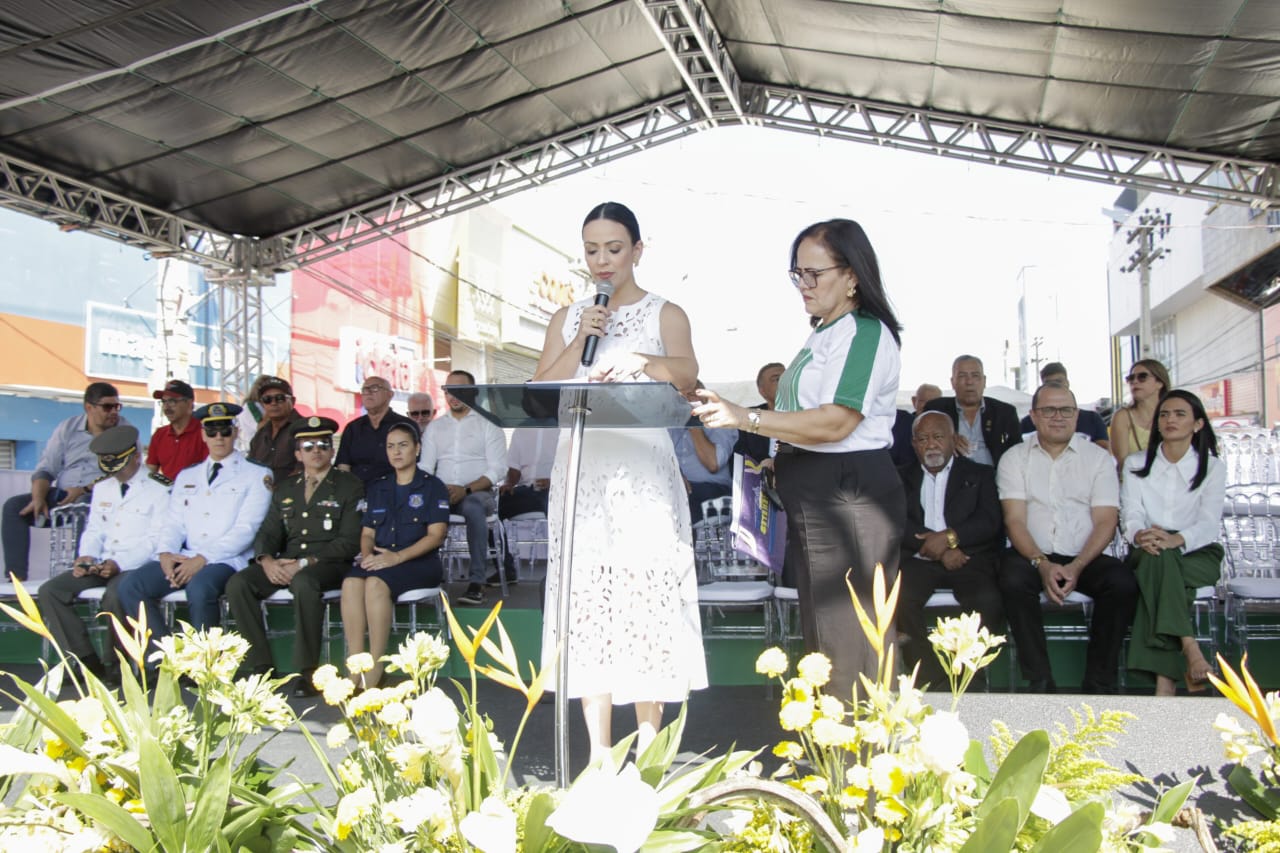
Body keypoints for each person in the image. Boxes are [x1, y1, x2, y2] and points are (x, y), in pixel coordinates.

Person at [694, 217, 905, 701]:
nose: (803, 286)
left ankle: (860, 759)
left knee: (850, 637)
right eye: (797, 274)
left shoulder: (863, 333)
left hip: (848, 495)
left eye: (815, 274)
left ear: (852, 275)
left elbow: (836, 422)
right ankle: (839, 756)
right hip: (818, 491)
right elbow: (806, 418)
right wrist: (779, 456)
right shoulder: (825, 333)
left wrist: (745, 418)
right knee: (827, 633)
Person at [533, 201, 706, 761]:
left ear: (637, 249)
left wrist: (640, 357)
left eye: (613, 248)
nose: (602, 260)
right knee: (588, 607)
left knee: (643, 602)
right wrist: (575, 335)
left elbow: (688, 374)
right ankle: (599, 756)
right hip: (580, 471)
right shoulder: (567, 319)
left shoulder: (665, 313)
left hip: (642, 474)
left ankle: (650, 755)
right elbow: (541, 388)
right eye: (591, 250)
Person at [996, 383, 1136, 693]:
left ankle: (1099, 682)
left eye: (1066, 410)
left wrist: (1077, 565)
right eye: (1048, 410)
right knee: (1012, 579)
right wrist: (1042, 564)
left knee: (1122, 583)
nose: (1057, 417)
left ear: (1076, 415)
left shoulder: (1098, 459)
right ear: (1033, 416)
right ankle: (1040, 680)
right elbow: (1015, 520)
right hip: (1032, 555)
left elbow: (1105, 521)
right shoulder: (1014, 458)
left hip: (1086, 556)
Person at [224, 417, 365, 696]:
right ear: (298, 453)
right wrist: (266, 561)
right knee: (239, 584)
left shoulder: (349, 485)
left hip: (329, 564)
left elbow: (349, 541)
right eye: (308, 446)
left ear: (331, 451)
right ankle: (261, 667)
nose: (316, 450)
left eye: (323, 445)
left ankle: (307, 671)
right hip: (286, 562)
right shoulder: (286, 488)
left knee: (304, 583)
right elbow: (269, 531)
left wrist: (304, 563)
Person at [113, 403, 273, 646]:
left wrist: (203, 559)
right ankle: (167, 658)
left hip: (226, 559)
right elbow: (174, 521)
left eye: (225, 431)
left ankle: (203, 665)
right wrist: (166, 552)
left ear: (236, 432)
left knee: (199, 589)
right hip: (185, 555)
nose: (219, 438)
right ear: (202, 435)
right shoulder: (188, 475)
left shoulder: (256, 474)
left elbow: (246, 529)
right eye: (212, 431)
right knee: (131, 586)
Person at [37, 424, 170, 686]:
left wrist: (118, 564)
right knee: (51, 591)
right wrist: (86, 557)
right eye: (109, 466)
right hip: (102, 562)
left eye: (120, 464)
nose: (115, 472)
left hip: (136, 565)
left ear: (135, 456)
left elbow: (157, 540)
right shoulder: (103, 487)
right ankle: (84, 660)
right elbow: (95, 528)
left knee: (116, 594)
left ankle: (116, 664)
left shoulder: (160, 487)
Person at [1121, 390, 1225, 695]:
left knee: (1159, 568)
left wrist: (1176, 540)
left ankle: (1165, 682)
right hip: (1147, 548)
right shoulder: (1135, 463)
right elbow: (1132, 512)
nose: (1170, 420)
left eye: (1180, 414)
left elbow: (1208, 522)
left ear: (1198, 424)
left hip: (1198, 554)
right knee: (1157, 560)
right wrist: (1139, 534)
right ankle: (1190, 648)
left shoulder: (1212, 467)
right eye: (1164, 414)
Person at [896, 411, 1004, 689]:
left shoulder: (979, 474)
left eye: (938, 437)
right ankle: (931, 679)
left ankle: (969, 676)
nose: (931, 444)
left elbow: (989, 521)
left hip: (967, 558)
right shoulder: (900, 476)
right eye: (923, 439)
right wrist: (938, 548)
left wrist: (951, 538)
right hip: (920, 559)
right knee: (899, 599)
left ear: (954, 440)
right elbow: (894, 522)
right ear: (913, 444)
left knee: (987, 599)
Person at [342, 421, 450, 689]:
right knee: (352, 582)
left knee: (376, 584)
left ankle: (377, 667)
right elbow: (367, 533)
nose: (396, 452)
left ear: (417, 448)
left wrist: (397, 557)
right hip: (380, 560)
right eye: (391, 446)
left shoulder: (432, 486)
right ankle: (356, 665)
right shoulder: (378, 487)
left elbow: (436, 535)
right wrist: (367, 556)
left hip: (419, 562)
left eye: (403, 445)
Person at [2, 382, 125, 580]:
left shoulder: (125, 431)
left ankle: (81, 575)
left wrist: (83, 488)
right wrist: (38, 496)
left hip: (102, 498)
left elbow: (122, 472)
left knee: (82, 505)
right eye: (107, 407)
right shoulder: (68, 428)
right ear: (89, 407)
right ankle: (15, 579)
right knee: (13, 507)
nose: (113, 412)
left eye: (117, 407)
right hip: (63, 495)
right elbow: (46, 468)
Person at [420, 370, 508, 605]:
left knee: (472, 506)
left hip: (479, 494)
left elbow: (498, 469)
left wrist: (465, 489)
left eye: (460, 390)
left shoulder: (488, 424)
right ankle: (422, 578)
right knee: (417, 505)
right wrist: (436, 492)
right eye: (449, 390)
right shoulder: (435, 428)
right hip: (441, 494)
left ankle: (476, 582)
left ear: (474, 392)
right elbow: (426, 468)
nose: (453, 396)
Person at [925, 355, 1021, 468]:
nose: (969, 382)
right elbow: (921, 442)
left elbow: (1017, 451)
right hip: (950, 479)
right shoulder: (936, 410)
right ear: (953, 382)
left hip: (994, 478)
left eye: (975, 376)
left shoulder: (1004, 412)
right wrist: (946, 440)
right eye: (962, 376)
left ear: (984, 381)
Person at [497, 425, 556, 580]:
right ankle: (505, 568)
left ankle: (558, 567)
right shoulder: (521, 430)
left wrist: (554, 481)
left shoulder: (564, 429)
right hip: (526, 489)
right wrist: (509, 483)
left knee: (555, 509)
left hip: (554, 490)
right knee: (493, 507)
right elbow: (514, 469)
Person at [673, 382, 737, 523]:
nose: (688, 397)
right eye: (683, 393)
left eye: (694, 392)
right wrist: (677, 476)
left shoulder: (721, 420)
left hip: (711, 490)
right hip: (675, 487)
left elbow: (713, 463)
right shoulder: (668, 424)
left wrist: (692, 423)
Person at [336, 375, 415, 488]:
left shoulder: (405, 426)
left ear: (390, 395)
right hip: (358, 494)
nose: (368, 392)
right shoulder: (353, 428)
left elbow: (415, 464)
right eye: (365, 389)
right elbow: (343, 467)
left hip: (395, 492)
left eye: (374, 388)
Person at [1017, 363, 1109, 449]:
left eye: (1059, 381)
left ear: (1067, 383)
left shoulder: (1092, 419)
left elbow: (1104, 450)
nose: (1055, 386)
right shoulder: (1029, 422)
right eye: (1049, 383)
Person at [1109, 359, 1172, 468]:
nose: (1135, 382)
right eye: (1131, 378)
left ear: (1160, 383)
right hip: (1134, 479)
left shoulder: (1172, 415)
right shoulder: (1122, 417)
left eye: (1142, 377)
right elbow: (1123, 463)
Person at [146, 379, 207, 480]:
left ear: (189, 403)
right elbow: (150, 471)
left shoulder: (205, 433)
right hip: (166, 493)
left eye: (172, 401)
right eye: (164, 401)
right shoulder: (159, 434)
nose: (166, 406)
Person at [247, 376, 304, 485]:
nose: (273, 403)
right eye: (267, 399)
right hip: (260, 495)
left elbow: (305, 471)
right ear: (262, 404)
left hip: (293, 496)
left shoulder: (305, 430)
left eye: (279, 398)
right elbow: (250, 468)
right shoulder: (260, 434)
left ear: (292, 400)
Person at [733, 362, 784, 464]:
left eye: (787, 378)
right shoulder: (752, 416)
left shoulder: (806, 414)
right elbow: (740, 456)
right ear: (762, 391)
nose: (785, 382)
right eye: (777, 379)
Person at [891, 383, 943, 467]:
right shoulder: (900, 422)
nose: (927, 405)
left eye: (933, 402)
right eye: (923, 401)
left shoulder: (947, 428)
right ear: (914, 401)